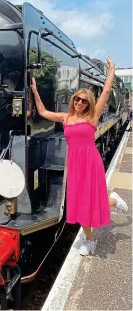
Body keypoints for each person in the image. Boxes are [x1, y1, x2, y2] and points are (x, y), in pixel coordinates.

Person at [30, 57, 128, 256]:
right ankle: (109, 207)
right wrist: (34, 90)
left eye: (84, 101)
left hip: (91, 162)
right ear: (73, 100)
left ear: (88, 103)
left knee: (89, 201)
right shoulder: (65, 117)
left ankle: (90, 240)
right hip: (74, 163)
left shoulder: (92, 116)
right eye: (77, 99)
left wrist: (112, 69)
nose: (80, 102)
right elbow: (42, 111)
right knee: (82, 201)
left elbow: (107, 92)